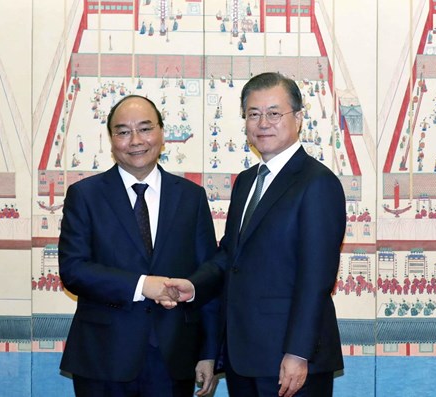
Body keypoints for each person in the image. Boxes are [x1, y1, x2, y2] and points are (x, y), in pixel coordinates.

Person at [165, 72, 346, 396]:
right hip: (243, 357)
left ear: (299, 118)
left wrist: (298, 352)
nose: (263, 123)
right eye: (253, 114)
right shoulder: (247, 181)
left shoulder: (317, 183)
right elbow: (229, 256)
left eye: (274, 113)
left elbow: (316, 278)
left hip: (289, 362)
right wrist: (193, 285)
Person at [58, 94, 219, 397]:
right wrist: (143, 285)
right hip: (103, 358)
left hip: (174, 359)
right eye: (123, 131)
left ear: (161, 134)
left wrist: (209, 351)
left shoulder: (191, 197)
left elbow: (208, 277)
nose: (135, 140)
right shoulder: (85, 196)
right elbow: (73, 270)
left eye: (145, 129)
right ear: (111, 139)